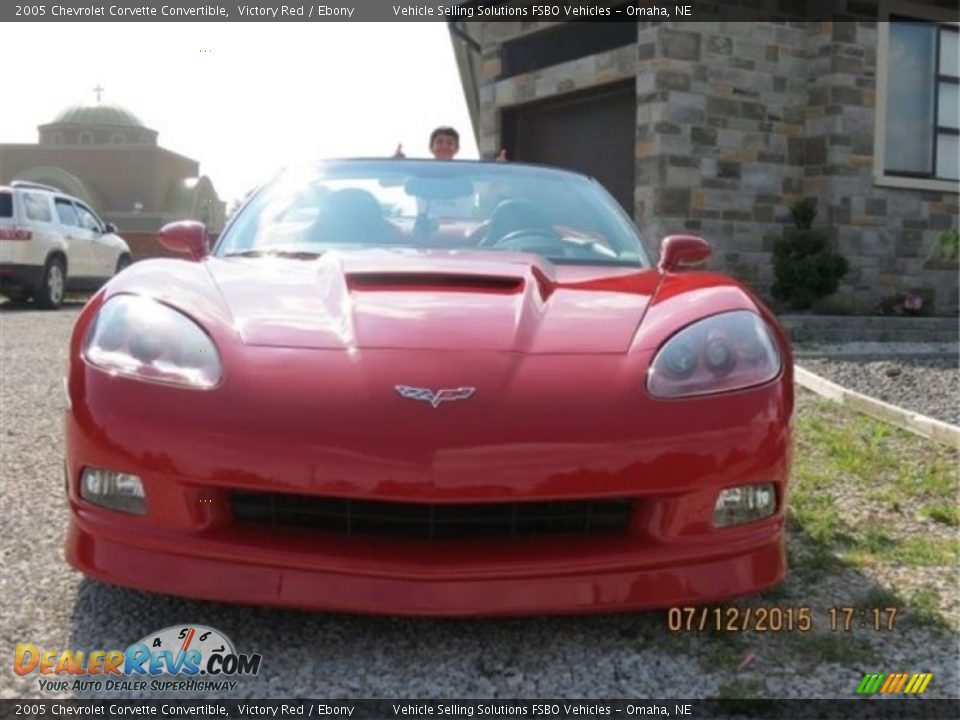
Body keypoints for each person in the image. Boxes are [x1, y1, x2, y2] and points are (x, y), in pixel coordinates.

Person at [393, 126, 461, 160]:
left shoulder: (462, 172)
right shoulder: (421, 170)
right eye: (439, 142)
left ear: (457, 149)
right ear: (430, 148)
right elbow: (386, 183)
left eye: (450, 143)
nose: (444, 146)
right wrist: (396, 163)